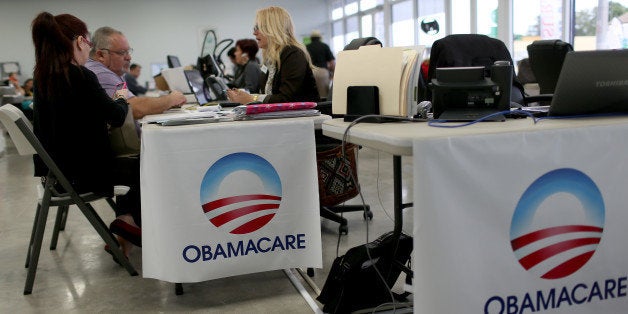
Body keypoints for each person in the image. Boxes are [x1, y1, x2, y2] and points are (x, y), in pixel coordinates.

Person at [30, 12, 140, 256]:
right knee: (145, 163)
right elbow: (117, 116)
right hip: (83, 175)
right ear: (80, 41)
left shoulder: (42, 77)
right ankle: (130, 222)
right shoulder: (81, 76)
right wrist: (121, 94)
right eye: (88, 43)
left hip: (56, 176)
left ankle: (126, 221)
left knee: (132, 164)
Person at [86, 26, 186, 120]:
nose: (129, 57)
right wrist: (170, 99)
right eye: (122, 52)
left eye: (128, 52)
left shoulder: (111, 71)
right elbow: (134, 108)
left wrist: (165, 103)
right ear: (101, 55)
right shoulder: (100, 73)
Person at [227, 6, 319, 104]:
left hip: (302, 116)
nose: (254, 33)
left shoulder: (293, 54)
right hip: (280, 116)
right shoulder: (270, 59)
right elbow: (265, 94)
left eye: (258, 27)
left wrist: (252, 99)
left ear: (272, 29)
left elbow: (286, 99)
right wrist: (245, 97)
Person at [306, 30, 335, 99]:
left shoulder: (306, 47)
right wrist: (333, 74)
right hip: (323, 73)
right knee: (324, 96)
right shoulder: (325, 46)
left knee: (312, 95)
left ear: (311, 38)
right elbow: (332, 63)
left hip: (311, 72)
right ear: (320, 38)